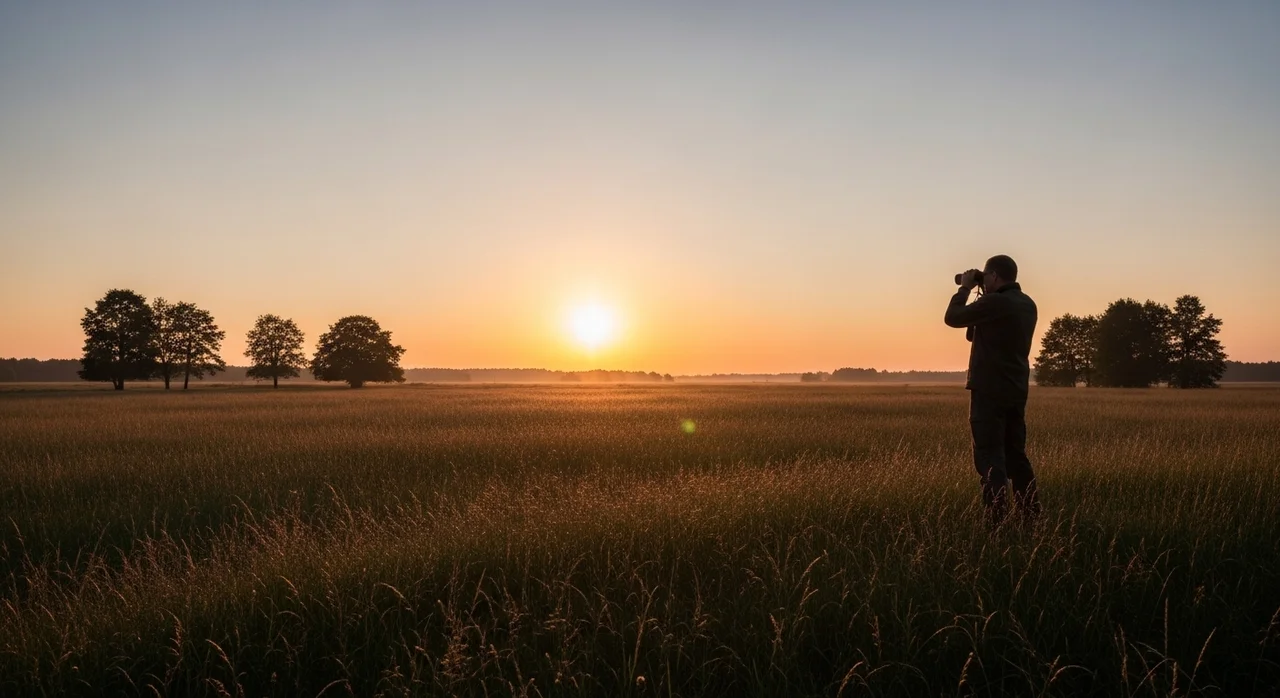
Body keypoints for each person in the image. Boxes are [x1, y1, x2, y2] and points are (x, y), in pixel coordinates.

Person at [944, 255, 1040, 527]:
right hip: (1015, 391)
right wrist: (980, 295)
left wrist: (964, 288)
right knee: (1016, 457)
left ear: (995, 276)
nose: (982, 281)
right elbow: (973, 333)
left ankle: (996, 523)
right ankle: (1030, 518)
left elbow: (953, 318)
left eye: (985, 277)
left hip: (988, 390)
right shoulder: (1026, 304)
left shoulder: (996, 302)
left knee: (989, 457)